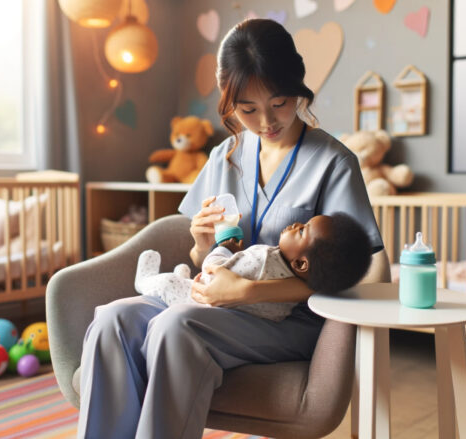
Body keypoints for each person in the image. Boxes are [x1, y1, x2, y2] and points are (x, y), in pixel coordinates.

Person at [77, 18, 383, 439]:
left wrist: (248, 292)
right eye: (247, 110)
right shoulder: (225, 156)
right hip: (213, 304)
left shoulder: (333, 163)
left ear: (297, 86)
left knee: (174, 326)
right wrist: (201, 245)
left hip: (288, 320)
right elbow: (205, 260)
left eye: (279, 103)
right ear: (229, 100)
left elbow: (358, 275)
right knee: (113, 319)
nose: (265, 122)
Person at [134, 213, 372, 321]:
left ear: (301, 263)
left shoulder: (264, 261)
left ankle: (144, 280)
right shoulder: (285, 292)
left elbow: (212, 270)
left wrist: (224, 248)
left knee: (166, 285)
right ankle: (179, 276)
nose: (296, 223)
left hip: (199, 299)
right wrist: (200, 245)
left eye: (302, 230)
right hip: (226, 310)